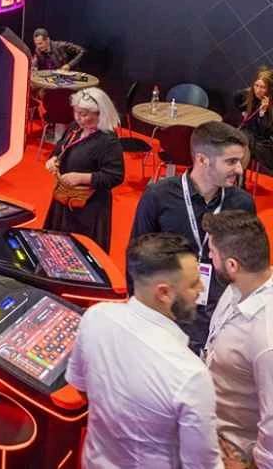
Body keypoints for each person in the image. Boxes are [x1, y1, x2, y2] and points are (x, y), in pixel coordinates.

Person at [66, 233, 222, 468]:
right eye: (193, 284)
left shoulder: (95, 317)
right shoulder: (190, 375)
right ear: (163, 293)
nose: (201, 289)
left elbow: (80, 386)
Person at [131, 120, 255, 353]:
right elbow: (137, 256)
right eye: (231, 161)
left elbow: (248, 263)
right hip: (167, 313)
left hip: (217, 316)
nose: (239, 170)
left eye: (240, 161)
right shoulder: (158, 196)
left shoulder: (242, 203)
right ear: (202, 159)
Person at [202, 210, 273, 468]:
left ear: (232, 265)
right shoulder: (236, 288)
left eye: (212, 251)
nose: (209, 256)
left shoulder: (266, 335)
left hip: (237, 453)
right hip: (212, 433)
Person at [43, 87, 124, 252]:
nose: (78, 118)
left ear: (99, 113)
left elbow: (115, 176)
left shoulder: (108, 141)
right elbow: (61, 147)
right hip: (64, 198)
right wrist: (54, 158)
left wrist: (81, 178)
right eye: (76, 112)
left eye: (84, 114)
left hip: (88, 208)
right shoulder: (75, 127)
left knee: (80, 252)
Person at [237, 67, 273, 171]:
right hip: (249, 137)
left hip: (265, 143)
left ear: (269, 89)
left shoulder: (270, 106)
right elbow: (237, 98)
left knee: (243, 142)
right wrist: (249, 91)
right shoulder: (251, 98)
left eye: (263, 87)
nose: (258, 90)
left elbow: (264, 133)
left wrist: (263, 112)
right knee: (240, 139)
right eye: (256, 85)